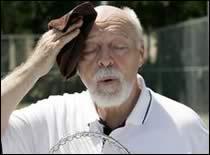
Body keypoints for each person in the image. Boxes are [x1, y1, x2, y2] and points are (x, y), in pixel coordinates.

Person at [1, 4, 209, 154]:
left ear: (141, 54)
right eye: (90, 49)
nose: (105, 60)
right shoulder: (53, 117)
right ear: (76, 63)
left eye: (119, 47)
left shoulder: (184, 128)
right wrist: (34, 67)